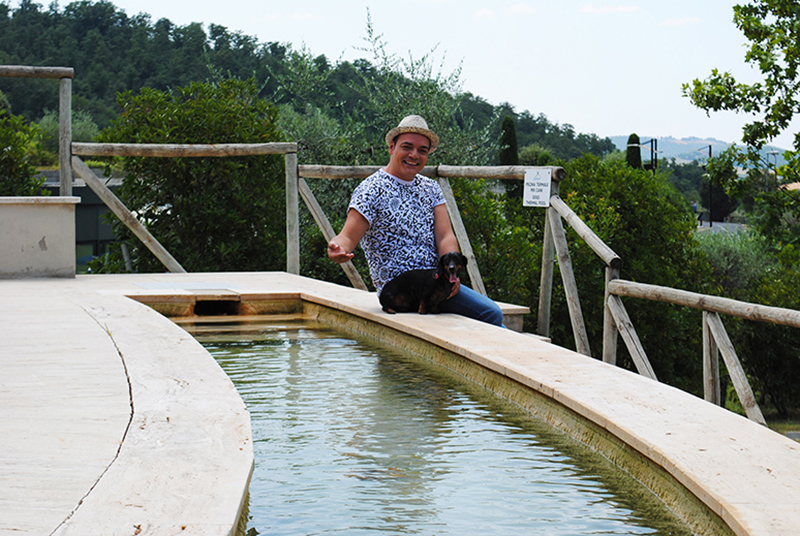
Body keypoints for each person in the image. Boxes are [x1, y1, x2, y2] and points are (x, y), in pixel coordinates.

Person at [327, 114, 505, 327]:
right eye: (407, 147)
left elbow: (445, 235)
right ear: (391, 147)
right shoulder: (371, 189)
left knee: (490, 317)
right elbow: (347, 236)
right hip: (400, 292)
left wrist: (453, 274)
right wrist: (338, 248)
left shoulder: (430, 188)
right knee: (491, 314)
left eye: (422, 150)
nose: (414, 155)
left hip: (436, 281)